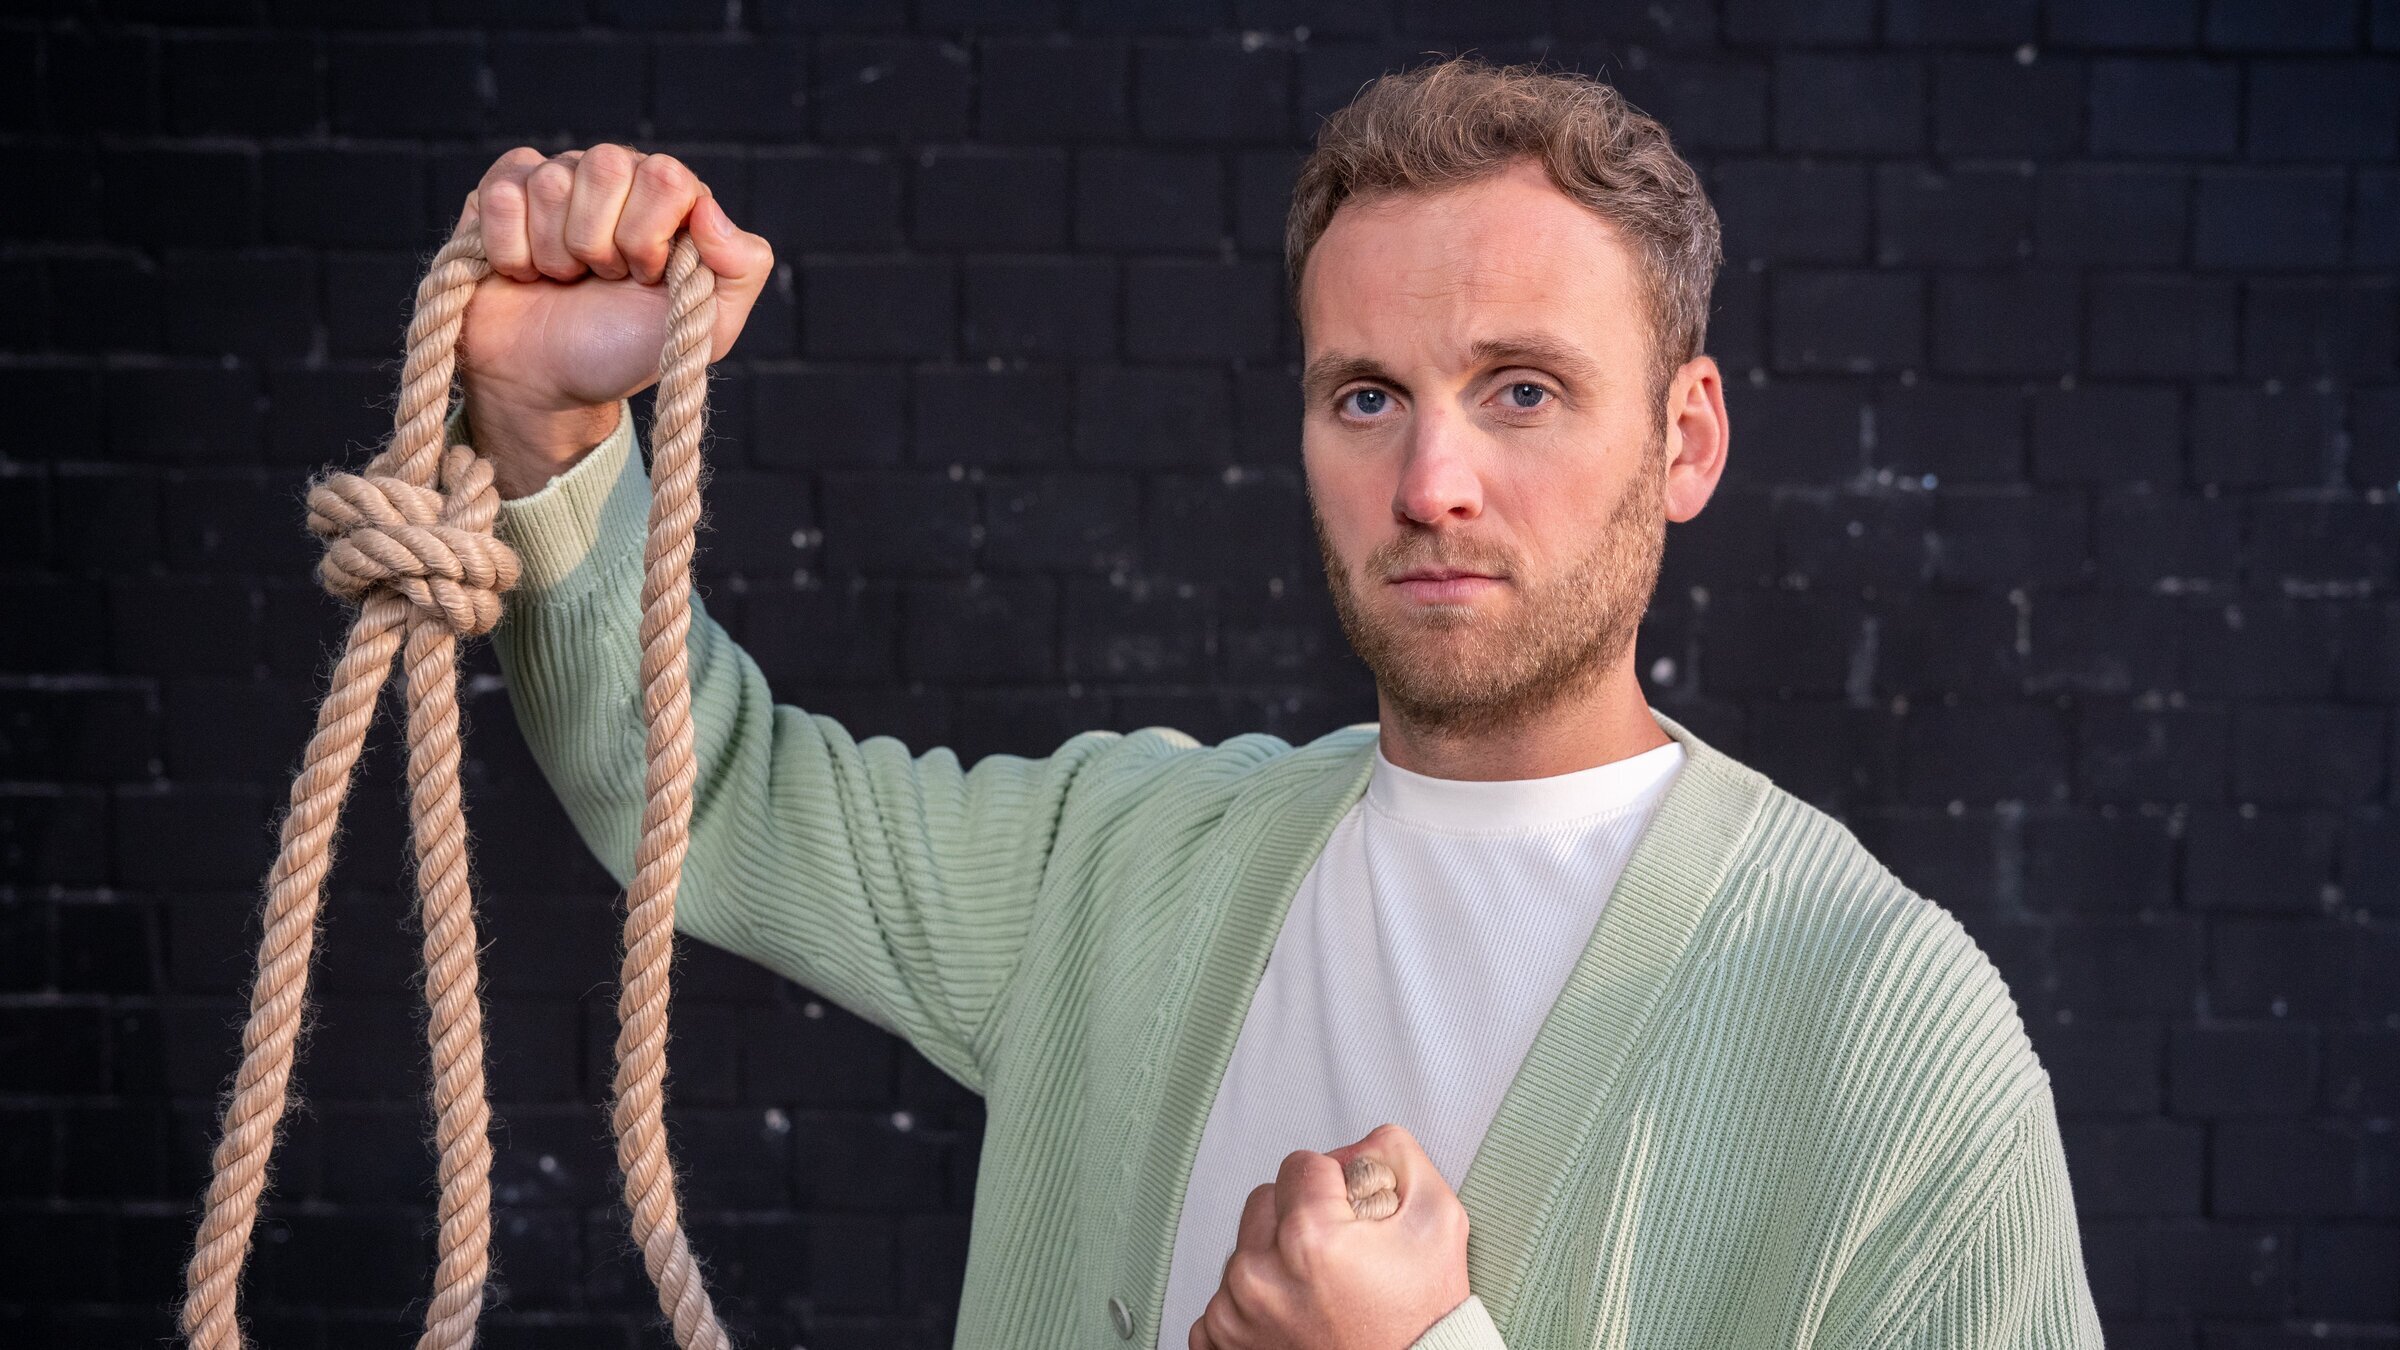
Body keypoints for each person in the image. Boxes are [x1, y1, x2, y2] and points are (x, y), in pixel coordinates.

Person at [450, 57, 2102, 1350]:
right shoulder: (1123, 858)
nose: (1432, 481)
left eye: (1523, 390)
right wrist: (548, 434)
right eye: (1367, 396)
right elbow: (712, 799)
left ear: (1687, 440)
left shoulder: (1891, 1037)